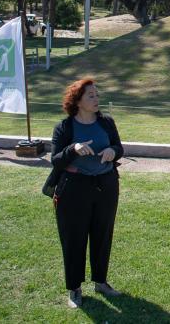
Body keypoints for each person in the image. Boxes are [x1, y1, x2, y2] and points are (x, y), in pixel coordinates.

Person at [50, 78, 125, 308]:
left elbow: (119, 147)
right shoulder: (65, 127)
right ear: (78, 101)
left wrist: (113, 151)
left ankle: (101, 282)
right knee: (74, 237)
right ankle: (74, 288)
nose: (96, 99)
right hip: (74, 189)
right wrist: (73, 148)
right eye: (90, 95)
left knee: (103, 234)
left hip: (106, 185)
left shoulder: (106, 123)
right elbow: (56, 160)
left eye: (97, 94)